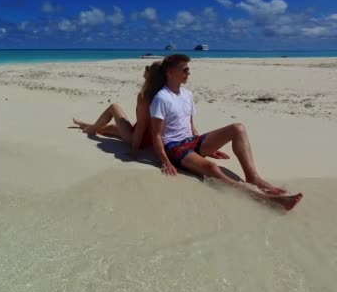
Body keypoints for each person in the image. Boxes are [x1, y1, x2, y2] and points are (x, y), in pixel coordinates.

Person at [149, 54, 303, 211]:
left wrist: (206, 147)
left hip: (191, 140)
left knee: (238, 128)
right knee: (213, 169)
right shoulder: (161, 98)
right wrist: (166, 162)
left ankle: (253, 177)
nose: (188, 73)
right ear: (170, 72)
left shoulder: (187, 94)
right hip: (174, 147)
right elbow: (156, 135)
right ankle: (266, 199)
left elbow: (190, 125)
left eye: (188, 69)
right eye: (184, 70)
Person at [73, 61, 163, 155]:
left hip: (138, 139)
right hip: (151, 138)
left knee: (114, 107)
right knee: (111, 128)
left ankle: (91, 129)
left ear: (151, 76)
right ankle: (86, 125)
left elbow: (141, 124)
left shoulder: (145, 96)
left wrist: (134, 150)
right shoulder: (164, 94)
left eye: (148, 68)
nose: (145, 69)